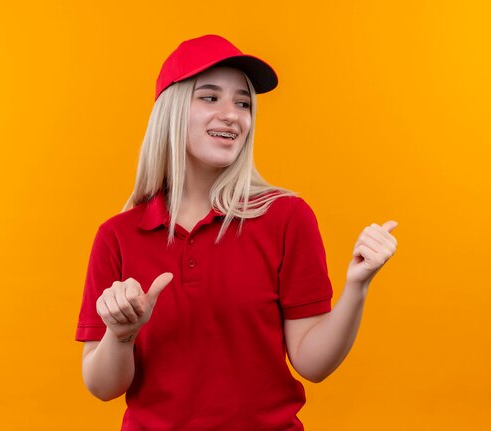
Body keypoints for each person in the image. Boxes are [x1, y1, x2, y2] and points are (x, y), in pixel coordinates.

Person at [76, 34, 398, 431]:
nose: (232, 115)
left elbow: (312, 364)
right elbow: (102, 386)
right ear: (172, 111)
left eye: (243, 103)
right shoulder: (118, 235)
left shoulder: (286, 217)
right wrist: (121, 336)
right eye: (210, 97)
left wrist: (357, 286)